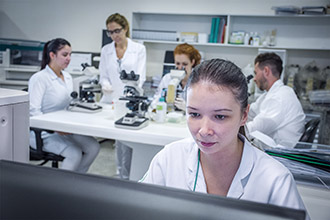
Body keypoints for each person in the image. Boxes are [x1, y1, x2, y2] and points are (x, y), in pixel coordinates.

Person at [141, 59, 309, 218]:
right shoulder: (168, 159)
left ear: (244, 115)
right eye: (194, 114)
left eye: (220, 116)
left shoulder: (275, 179)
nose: (204, 130)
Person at [29, 38, 100, 172]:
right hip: (44, 132)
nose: (69, 58)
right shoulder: (39, 78)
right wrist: (55, 128)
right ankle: (62, 188)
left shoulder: (67, 77)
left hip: (66, 129)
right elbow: (33, 112)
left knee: (93, 147)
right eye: (65, 55)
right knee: (74, 153)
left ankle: (77, 180)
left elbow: (70, 103)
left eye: (70, 55)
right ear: (52, 55)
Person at [99, 13, 146, 179]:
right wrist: (105, 84)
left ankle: (130, 175)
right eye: (110, 32)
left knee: (129, 140)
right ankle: (121, 174)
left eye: (117, 31)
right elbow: (103, 75)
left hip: (130, 100)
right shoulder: (106, 50)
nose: (114, 35)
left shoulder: (139, 49)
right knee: (118, 141)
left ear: (125, 28)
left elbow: (140, 76)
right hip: (111, 99)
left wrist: (132, 90)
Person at [246, 52, 305, 148]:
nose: (254, 79)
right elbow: (250, 112)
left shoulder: (279, 98)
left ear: (266, 71)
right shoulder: (275, 93)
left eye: (256, 73)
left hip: (278, 155)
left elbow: (254, 128)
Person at [151, 43, 201, 111]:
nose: (180, 68)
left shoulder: (200, 80)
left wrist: (188, 108)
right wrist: (162, 102)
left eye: (184, 64)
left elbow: (205, 108)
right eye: (178, 63)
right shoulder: (167, 78)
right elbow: (154, 103)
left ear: (192, 62)